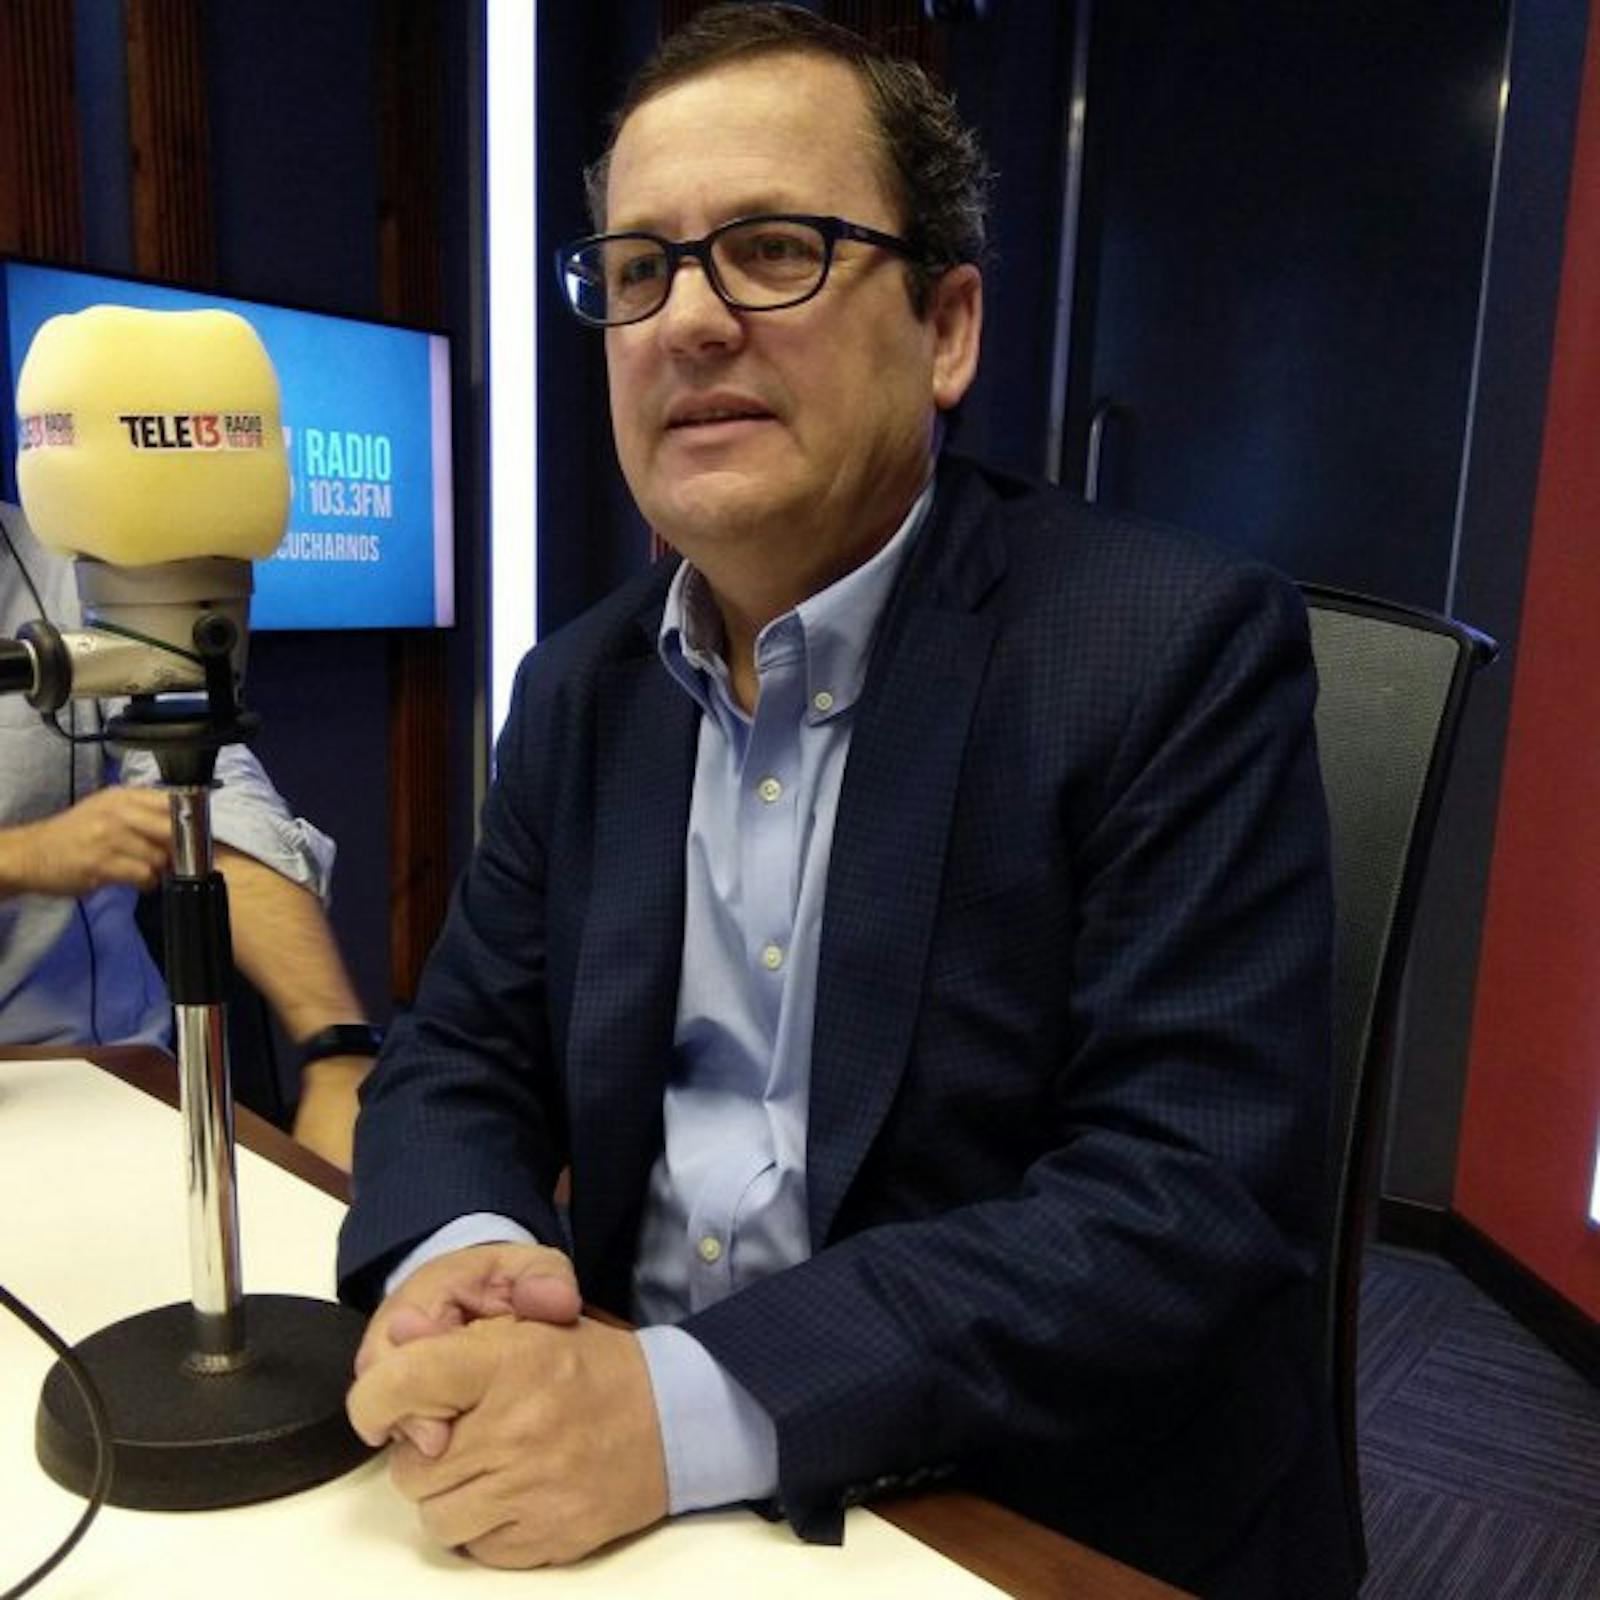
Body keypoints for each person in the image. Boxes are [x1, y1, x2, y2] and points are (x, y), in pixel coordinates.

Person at [338, 7, 1354, 1595]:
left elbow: (1181, 1200)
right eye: (638, 270)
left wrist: (679, 1410)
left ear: (946, 329)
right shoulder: (580, 687)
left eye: (771, 251)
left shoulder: (1169, 649)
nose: (688, 321)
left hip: (1009, 1514)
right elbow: (461, 1054)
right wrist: (470, 1260)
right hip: (624, 1489)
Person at [0, 499, 379, 1168]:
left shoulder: (66, 565)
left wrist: (337, 1049)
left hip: (94, 1075)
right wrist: (24, 857)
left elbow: (209, 787)